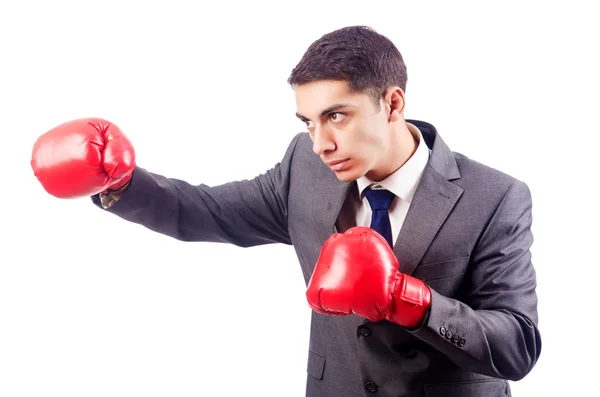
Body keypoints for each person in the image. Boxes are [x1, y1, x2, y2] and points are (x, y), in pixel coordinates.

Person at [30, 25, 541, 397]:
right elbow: (209, 211)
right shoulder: (307, 168)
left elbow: (518, 346)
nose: (320, 142)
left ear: (392, 103)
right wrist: (121, 181)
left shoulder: (494, 197)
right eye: (308, 122)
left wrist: (412, 301)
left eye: (336, 116)